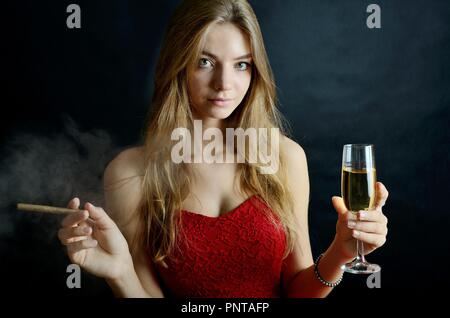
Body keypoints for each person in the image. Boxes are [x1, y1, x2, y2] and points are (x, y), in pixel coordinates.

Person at [57, 0, 389, 298]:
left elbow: (299, 293)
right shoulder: (131, 173)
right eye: (205, 62)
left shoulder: (285, 157)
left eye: (241, 64)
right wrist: (121, 274)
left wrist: (340, 253)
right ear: (178, 64)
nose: (224, 83)